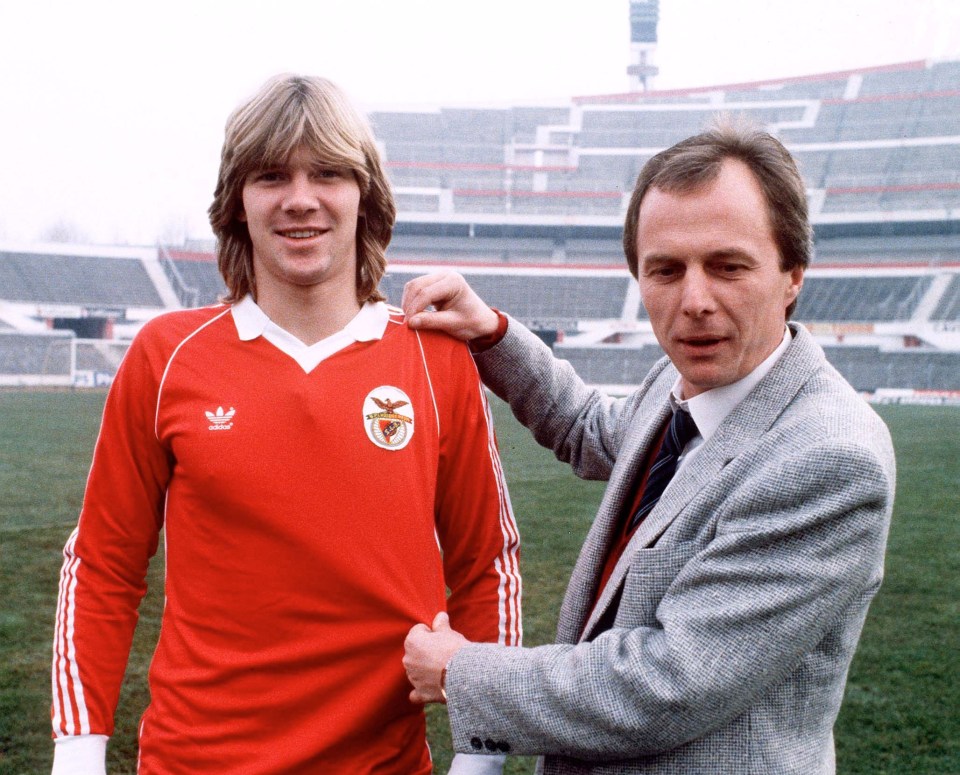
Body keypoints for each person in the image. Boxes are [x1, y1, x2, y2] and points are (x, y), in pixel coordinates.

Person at [50, 74, 521, 775]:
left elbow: (488, 565)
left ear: (366, 195)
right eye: (272, 176)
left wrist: (480, 758)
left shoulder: (434, 359)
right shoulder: (167, 355)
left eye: (328, 172)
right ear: (237, 201)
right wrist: (79, 754)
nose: (301, 198)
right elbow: (102, 567)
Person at [401, 122, 895, 774]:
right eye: (665, 269)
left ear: (793, 274)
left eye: (728, 266)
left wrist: (463, 670)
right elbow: (592, 429)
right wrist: (492, 334)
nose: (694, 301)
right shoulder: (682, 374)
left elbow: (666, 685)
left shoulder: (829, 458)